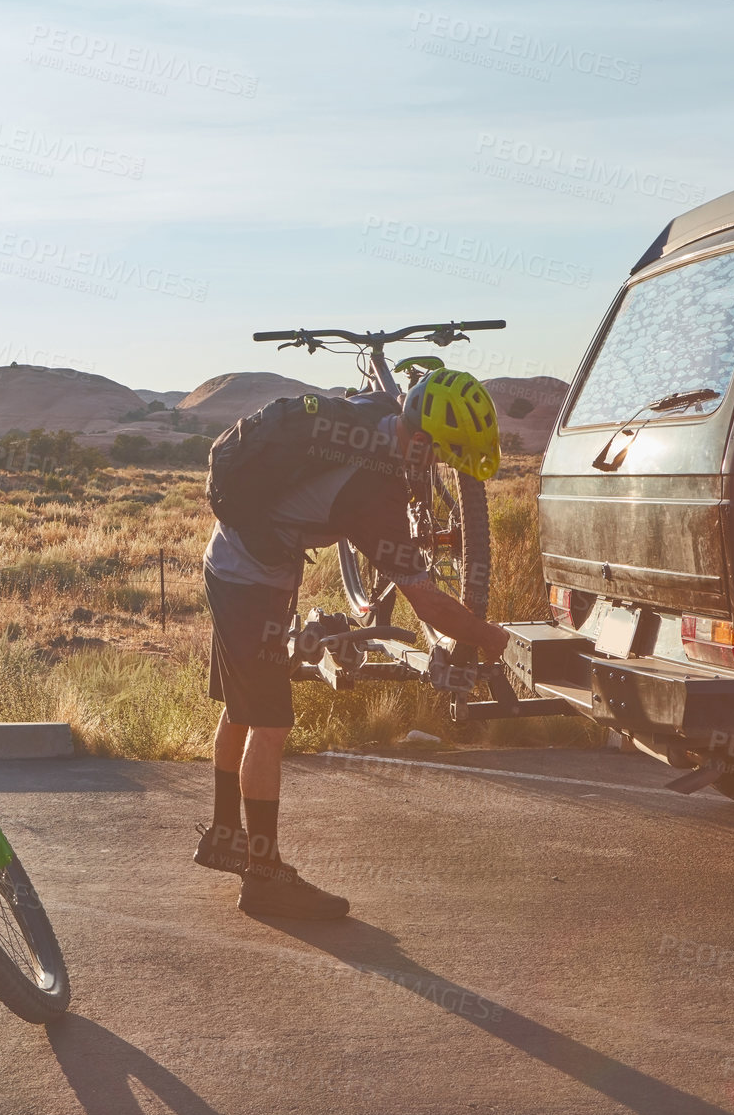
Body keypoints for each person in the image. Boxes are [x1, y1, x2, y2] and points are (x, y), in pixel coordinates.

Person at [194, 370, 512, 920]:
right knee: (269, 726)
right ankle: (264, 880)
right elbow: (429, 603)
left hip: (235, 564)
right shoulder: (370, 494)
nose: (435, 468)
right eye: (438, 456)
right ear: (417, 440)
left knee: (243, 711)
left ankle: (227, 834)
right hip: (250, 579)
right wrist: (497, 640)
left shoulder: (377, 412)